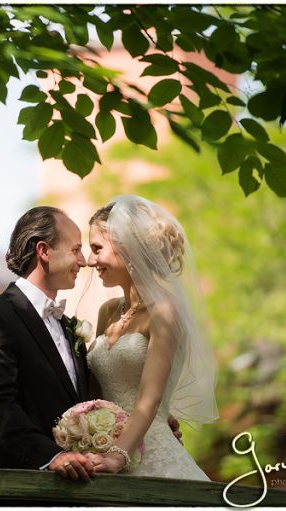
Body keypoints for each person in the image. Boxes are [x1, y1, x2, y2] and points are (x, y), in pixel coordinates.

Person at [83, 195, 218, 480]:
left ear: (127, 247)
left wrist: (117, 457)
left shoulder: (165, 312)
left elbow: (149, 399)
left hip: (150, 457)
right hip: (103, 454)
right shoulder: (107, 312)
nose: (90, 260)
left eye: (97, 248)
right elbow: (96, 395)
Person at [0, 206, 96, 481]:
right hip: (11, 487)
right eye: (75, 250)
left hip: (72, 491)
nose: (83, 261)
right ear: (44, 251)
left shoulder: (69, 327)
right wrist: (52, 457)